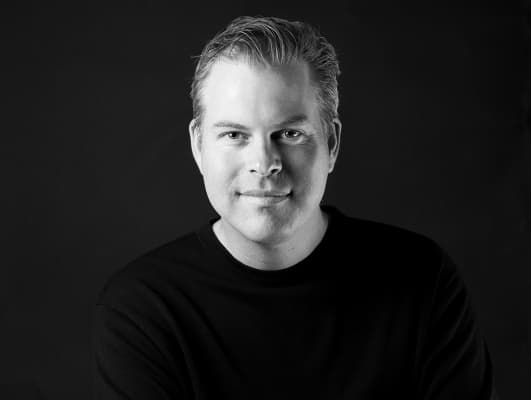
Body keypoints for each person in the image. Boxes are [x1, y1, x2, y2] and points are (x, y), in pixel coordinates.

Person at [92, 16, 498, 399]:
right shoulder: (144, 309)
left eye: (289, 133)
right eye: (234, 135)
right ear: (199, 146)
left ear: (331, 143)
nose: (264, 163)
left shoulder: (422, 279)